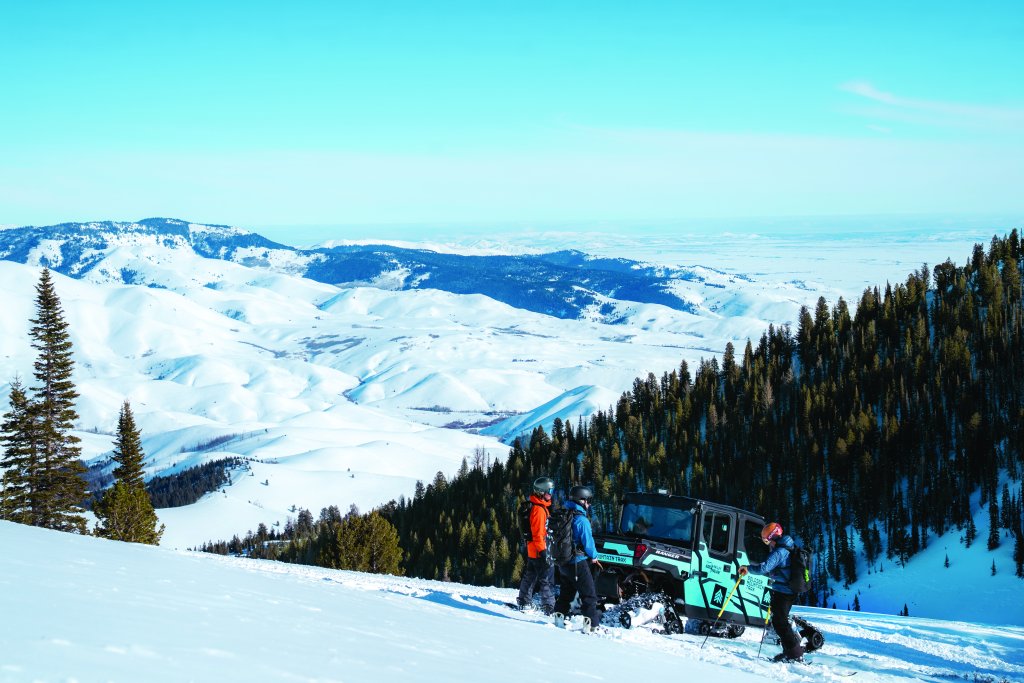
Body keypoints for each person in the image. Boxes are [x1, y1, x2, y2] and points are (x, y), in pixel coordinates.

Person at [739, 522, 806, 662]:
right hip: (785, 589)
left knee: (780, 622)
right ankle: (789, 652)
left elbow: (764, 568)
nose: (766, 543)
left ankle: (795, 655)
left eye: (766, 540)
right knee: (779, 621)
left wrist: (748, 568)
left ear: (772, 537)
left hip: (784, 591)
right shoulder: (787, 547)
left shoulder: (780, 551)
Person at [552, 485, 603, 630]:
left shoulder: (564, 514)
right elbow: (588, 542)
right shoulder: (581, 520)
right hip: (577, 563)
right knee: (589, 595)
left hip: (563, 562)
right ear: (582, 501)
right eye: (588, 501)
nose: (589, 504)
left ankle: (558, 618)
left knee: (566, 592)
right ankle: (591, 626)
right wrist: (594, 557)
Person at [516, 476, 556, 614]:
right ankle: (549, 607)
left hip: (533, 549)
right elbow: (538, 534)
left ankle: (523, 601)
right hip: (539, 550)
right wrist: (544, 552)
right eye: (550, 490)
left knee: (531, 575)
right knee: (546, 579)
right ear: (541, 492)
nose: (551, 494)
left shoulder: (540, 507)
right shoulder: (538, 510)